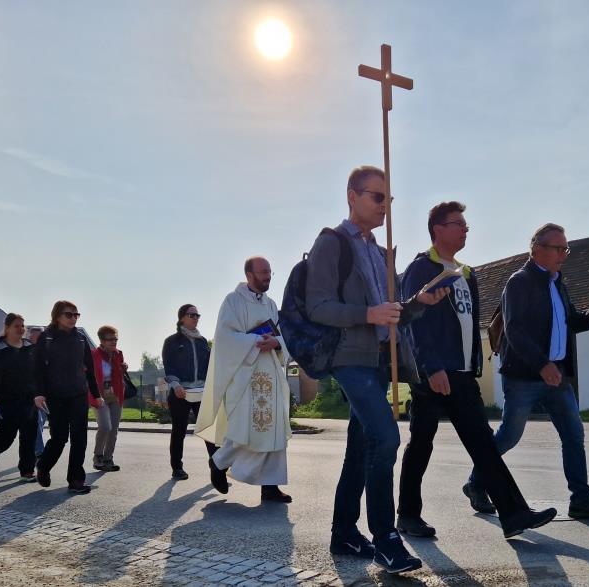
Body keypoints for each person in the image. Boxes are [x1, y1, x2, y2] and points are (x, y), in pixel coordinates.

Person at [305, 165, 448, 574]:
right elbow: (318, 307)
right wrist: (368, 313)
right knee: (386, 438)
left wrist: (418, 303)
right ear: (353, 196)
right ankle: (386, 538)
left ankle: (343, 532)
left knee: (360, 447)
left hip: (380, 359)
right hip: (349, 358)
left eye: (390, 198)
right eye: (377, 197)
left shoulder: (381, 251)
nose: (385, 205)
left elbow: (393, 313)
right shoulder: (331, 242)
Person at [397, 202, 557, 539]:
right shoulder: (421, 268)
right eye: (458, 224)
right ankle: (408, 516)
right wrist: (432, 367)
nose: (465, 229)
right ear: (438, 229)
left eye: (466, 225)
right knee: (422, 443)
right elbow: (414, 323)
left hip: (463, 373)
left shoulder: (465, 273)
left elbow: (469, 324)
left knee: (483, 444)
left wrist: (471, 365)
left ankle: (514, 514)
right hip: (434, 374)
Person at [467, 222, 589, 522]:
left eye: (566, 248)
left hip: (556, 376)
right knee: (509, 436)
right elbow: (514, 330)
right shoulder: (519, 282)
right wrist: (542, 364)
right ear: (537, 249)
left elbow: (572, 322)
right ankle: (476, 482)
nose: (564, 254)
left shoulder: (557, 283)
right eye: (558, 248)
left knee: (574, 435)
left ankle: (581, 500)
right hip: (524, 377)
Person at [195, 256, 293, 503]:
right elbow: (225, 338)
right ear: (249, 275)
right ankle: (219, 463)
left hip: (270, 376)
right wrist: (257, 341)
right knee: (245, 429)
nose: (268, 277)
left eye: (269, 272)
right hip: (245, 378)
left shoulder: (271, 304)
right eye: (263, 272)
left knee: (274, 432)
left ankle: (270, 486)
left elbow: (283, 336)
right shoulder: (233, 301)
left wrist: (277, 342)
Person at [34, 300, 102, 494]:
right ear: (57, 316)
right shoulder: (47, 337)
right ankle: (43, 466)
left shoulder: (80, 338)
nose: (73, 318)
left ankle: (76, 480)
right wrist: (39, 393)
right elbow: (37, 368)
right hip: (55, 395)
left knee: (80, 437)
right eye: (68, 314)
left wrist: (96, 395)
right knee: (60, 437)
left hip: (78, 394)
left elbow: (90, 370)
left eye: (76, 315)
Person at [162, 304, 216, 481]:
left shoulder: (202, 341)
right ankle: (177, 468)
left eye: (197, 315)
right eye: (191, 315)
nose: (195, 318)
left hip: (201, 392)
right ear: (182, 318)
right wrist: (176, 385)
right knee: (179, 431)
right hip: (180, 392)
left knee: (208, 429)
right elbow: (169, 366)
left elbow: (210, 367)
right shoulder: (171, 341)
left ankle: (217, 467)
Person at [0, 313, 38, 481]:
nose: (21, 329)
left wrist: (40, 393)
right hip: (4, 401)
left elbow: (38, 372)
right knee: (6, 436)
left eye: (22, 326)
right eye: (16, 326)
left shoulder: (30, 347)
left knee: (29, 436)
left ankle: (27, 471)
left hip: (29, 399)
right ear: (7, 328)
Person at [91, 325, 127, 472]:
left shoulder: (118, 354)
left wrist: (122, 368)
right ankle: (98, 456)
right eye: (110, 339)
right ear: (102, 341)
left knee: (114, 430)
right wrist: (94, 396)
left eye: (115, 339)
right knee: (105, 426)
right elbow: (90, 377)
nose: (114, 342)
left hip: (116, 395)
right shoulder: (93, 355)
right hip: (100, 396)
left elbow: (118, 376)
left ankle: (108, 459)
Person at [28, 326, 47, 458]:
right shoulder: (27, 351)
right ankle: (39, 451)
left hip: (47, 393)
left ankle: (33, 447)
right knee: (37, 421)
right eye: (36, 336)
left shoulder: (48, 351)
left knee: (40, 422)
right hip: (32, 393)